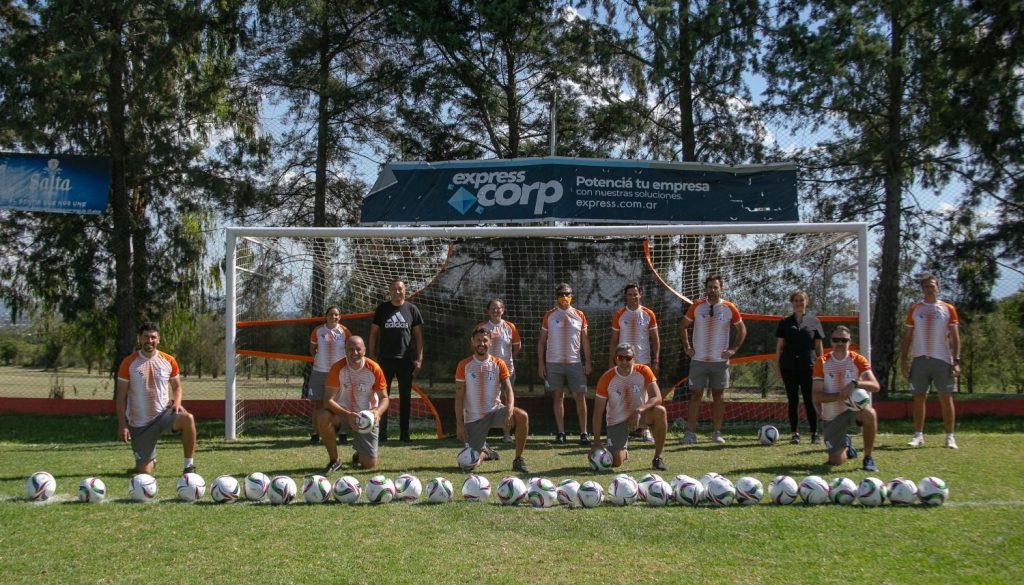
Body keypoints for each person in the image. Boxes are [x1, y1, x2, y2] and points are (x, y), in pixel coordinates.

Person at [115, 322, 197, 474]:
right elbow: (120, 397)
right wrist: (123, 425)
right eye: (145, 337)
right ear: (139, 339)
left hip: (164, 414)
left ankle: (188, 466)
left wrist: (177, 403)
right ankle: (149, 459)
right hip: (140, 424)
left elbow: (177, 387)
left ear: (158, 339)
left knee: (188, 419)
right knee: (144, 473)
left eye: (153, 337)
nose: (149, 340)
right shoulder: (128, 363)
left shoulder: (169, 361)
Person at [679, 275, 746, 444]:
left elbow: (742, 330)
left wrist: (733, 349)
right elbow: (683, 326)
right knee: (695, 395)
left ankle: (717, 432)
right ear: (706, 289)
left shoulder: (729, 307)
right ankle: (690, 433)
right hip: (699, 360)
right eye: (709, 287)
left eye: (716, 287)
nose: (712, 290)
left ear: (721, 289)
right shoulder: (697, 306)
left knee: (719, 395)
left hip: (720, 361)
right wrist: (687, 347)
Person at [455, 327, 531, 473]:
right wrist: (459, 424)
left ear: (490, 342)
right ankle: (486, 453)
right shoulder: (464, 365)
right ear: (472, 342)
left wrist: (509, 411)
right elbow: (458, 397)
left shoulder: (498, 363)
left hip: (495, 411)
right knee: (467, 465)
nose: (481, 344)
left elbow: (509, 390)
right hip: (473, 418)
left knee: (522, 416)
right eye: (478, 340)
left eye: (485, 340)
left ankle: (518, 460)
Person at [899, 274, 962, 449]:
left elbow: (956, 338)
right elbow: (907, 337)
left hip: (942, 359)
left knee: (945, 397)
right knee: (919, 397)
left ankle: (950, 437)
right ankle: (918, 435)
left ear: (937, 288)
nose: (929, 289)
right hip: (920, 359)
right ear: (922, 289)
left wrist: (956, 361)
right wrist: (903, 360)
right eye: (926, 286)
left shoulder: (948, 308)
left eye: (932, 286)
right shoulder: (915, 309)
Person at [591, 343, 669, 471]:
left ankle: (657, 458)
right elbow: (598, 413)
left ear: (634, 358)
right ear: (616, 359)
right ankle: (623, 451)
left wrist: (639, 410)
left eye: (628, 358)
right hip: (617, 421)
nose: (624, 361)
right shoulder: (607, 378)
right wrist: (596, 443)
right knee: (616, 462)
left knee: (660, 411)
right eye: (621, 358)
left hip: (640, 416)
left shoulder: (643, 371)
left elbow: (657, 397)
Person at [812, 325, 880, 471]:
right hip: (832, 416)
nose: (840, 343)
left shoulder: (858, 359)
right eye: (836, 340)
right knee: (836, 461)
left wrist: (856, 383)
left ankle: (868, 458)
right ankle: (846, 445)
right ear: (831, 341)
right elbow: (816, 396)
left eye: (844, 340)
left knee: (870, 414)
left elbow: (875, 386)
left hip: (853, 410)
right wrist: (839, 396)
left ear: (850, 341)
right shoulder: (822, 362)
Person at [319, 336, 389, 472]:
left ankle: (359, 453)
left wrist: (377, 412)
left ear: (364, 350)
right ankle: (334, 460)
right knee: (323, 416)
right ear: (345, 351)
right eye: (350, 349)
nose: (355, 352)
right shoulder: (337, 368)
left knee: (369, 464)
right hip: (343, 415)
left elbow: (384, 398)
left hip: (366, 417)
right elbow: (327, 400)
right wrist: (348, 415)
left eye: (358, 349)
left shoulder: (374, 368)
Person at [367, 279, 424, 443]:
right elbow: (373, 333)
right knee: (382, 397)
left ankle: (404, 434)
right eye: (394, 289)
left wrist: (419, 358)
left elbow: (418, 336)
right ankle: (381, 434)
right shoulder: (382, 309)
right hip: (384, 360)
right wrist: (372, 355)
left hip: (406, 361)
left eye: (400, 289)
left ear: (405, 290)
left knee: (405, 398)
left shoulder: (412, 310)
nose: (397, 292)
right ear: (389, 291)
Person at [537, 282, 592, 445]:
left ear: (571, 296)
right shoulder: (549, 315)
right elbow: (541, 341)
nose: (564, 297)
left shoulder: (580, 315)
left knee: (580, 397)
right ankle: (560, 433)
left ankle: (584, 433)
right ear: (556, 297)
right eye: (561, 294)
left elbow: (585, 341)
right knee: (558, 397)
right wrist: (541, 364)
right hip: (553, 363)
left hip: (575, 362)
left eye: (567, 294)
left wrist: (588, 362)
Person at [609, 282, 660, 443]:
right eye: (629, 294)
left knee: (644, 398)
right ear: (626, 296)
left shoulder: (648, 314)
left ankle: (645, 430)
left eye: (635, 294)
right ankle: (624, 429)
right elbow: (613, 341)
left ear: (640, 295)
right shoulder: (619, 314)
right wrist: (613, 362)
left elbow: (655, 339)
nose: (633, 297)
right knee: (623, 395)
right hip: (623, 363)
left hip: (642, 362)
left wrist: (656, 359)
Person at [774, 290, 825, 444]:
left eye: (801, 300)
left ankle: (814, 433)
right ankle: (794, 434)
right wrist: (777, 366)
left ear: (806, 302)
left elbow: (818, 347)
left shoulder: (814, 322)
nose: (798, 303)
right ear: (792, 303)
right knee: (793, 400)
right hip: (788, 366)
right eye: (796, 300)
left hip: (808, 366)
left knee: (810, 400)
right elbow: (779, 346)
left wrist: (821, 366)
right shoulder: (784, 322)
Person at [476, 298, 522, 444]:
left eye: (499, 308)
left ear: (503, 310)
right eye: (493, 308)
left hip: (507, 371)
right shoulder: (482, 327)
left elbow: (517, 346)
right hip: (487, 370)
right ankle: (482, 433)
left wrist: (507, 361)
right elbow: (476, 347)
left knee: (508, 401)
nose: (496, 310)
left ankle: (507, 433)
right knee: (485, 400)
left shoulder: (510, 327)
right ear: (488, 311)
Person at [307, 306, 351, 446]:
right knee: (319, 405)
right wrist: (321, 361)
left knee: (341, 403)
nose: (334, 317)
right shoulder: (318, 331)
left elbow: (351, 349)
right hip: (320, 372)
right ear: (326, 316)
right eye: (331, 314)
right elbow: (312, 350)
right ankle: (315, 435)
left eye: (336, 314)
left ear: (340, 316)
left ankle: (342, 434)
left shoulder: (344, 331)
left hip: (339, 373)